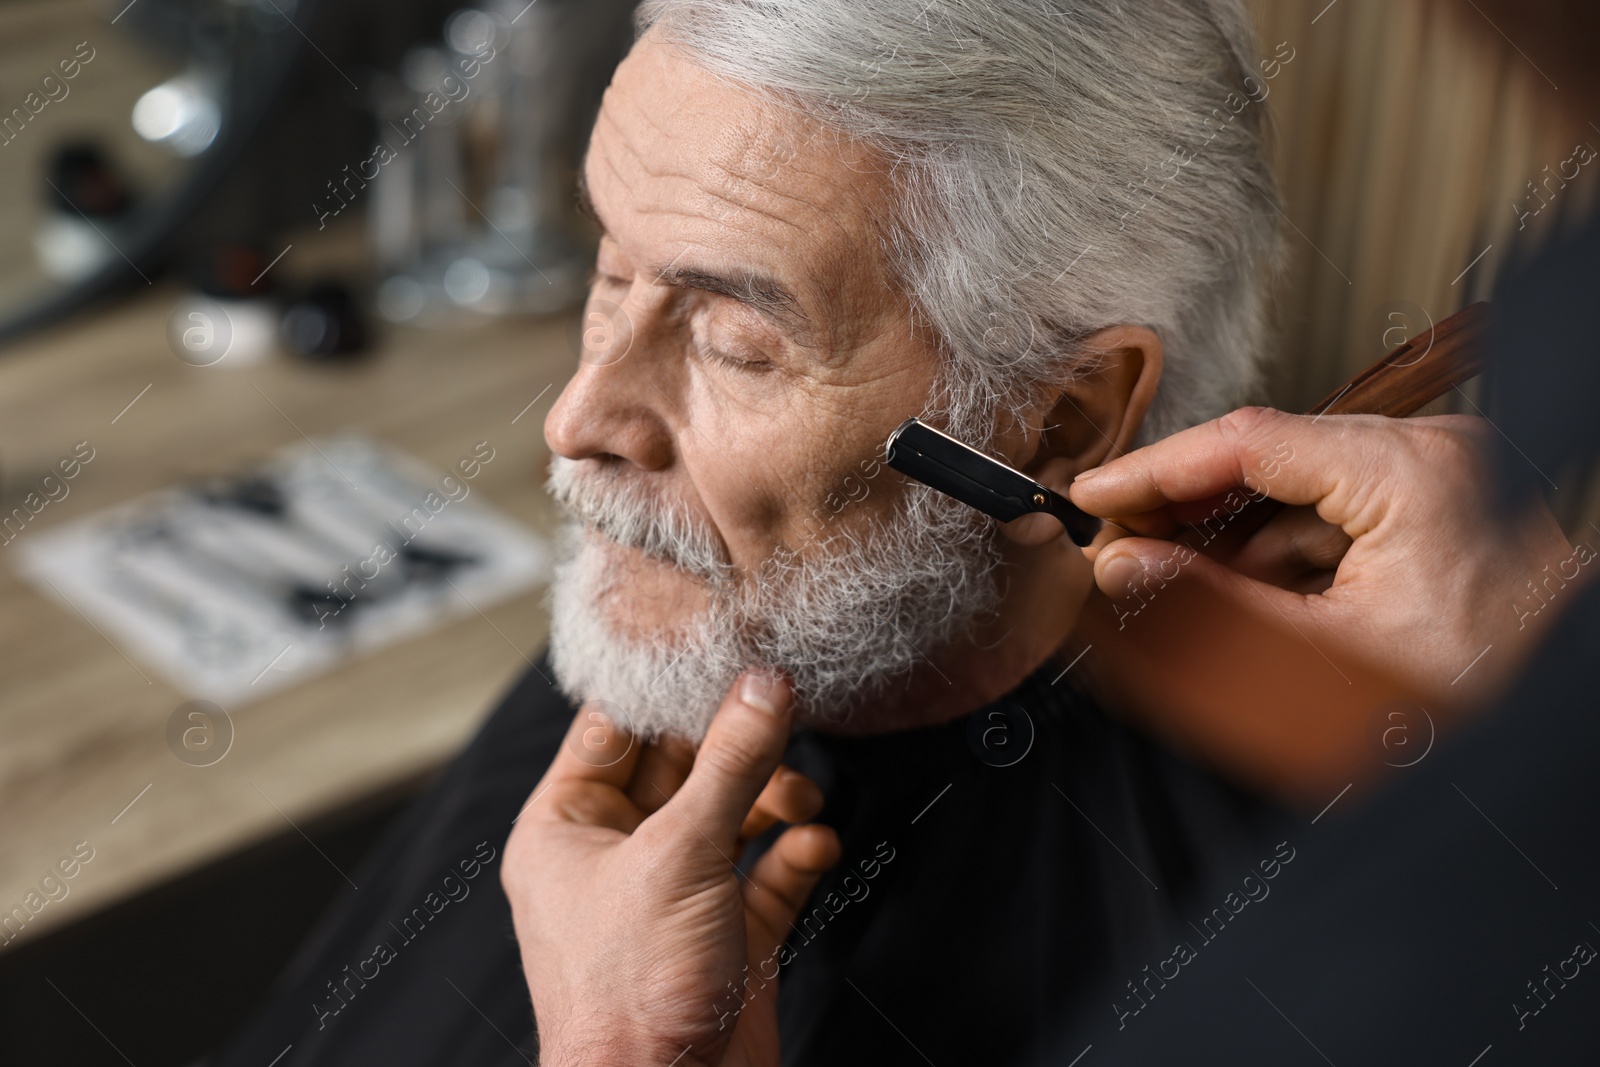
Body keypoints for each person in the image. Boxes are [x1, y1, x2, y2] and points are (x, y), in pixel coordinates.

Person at [210, 1, 1305, 1063]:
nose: (579, 418)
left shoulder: (1251, 944)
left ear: (1053, 424)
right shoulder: (694, 625)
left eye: (736, 342)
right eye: (608, 270)